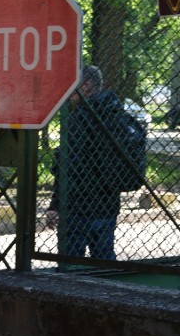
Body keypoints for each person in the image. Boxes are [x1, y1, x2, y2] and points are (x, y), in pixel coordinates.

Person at [49, 65, 124, 264]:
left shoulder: (78, 119)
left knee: (70, 264)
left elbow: (67, 165)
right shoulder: (115, 115)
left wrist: (56, 204)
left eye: (71, 86)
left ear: (85, 86)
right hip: (108, 204)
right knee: (104, 260)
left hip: (77, 207)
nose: (67, 92)